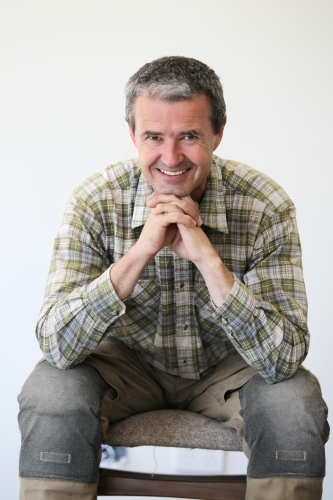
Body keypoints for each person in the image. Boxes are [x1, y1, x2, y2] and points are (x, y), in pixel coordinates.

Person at [18, 56, 329, 500]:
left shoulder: (265, 205)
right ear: (132, 135)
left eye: (188, 136)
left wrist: (207, 259)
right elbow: (56, 345)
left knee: (294, 400)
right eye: (153, 137)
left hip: (230, 370)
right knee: (51, 389)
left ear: (218, 133)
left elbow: (283, 358)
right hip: (124, 368)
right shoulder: (94, 201)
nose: (170, 157)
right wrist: (139, 252)